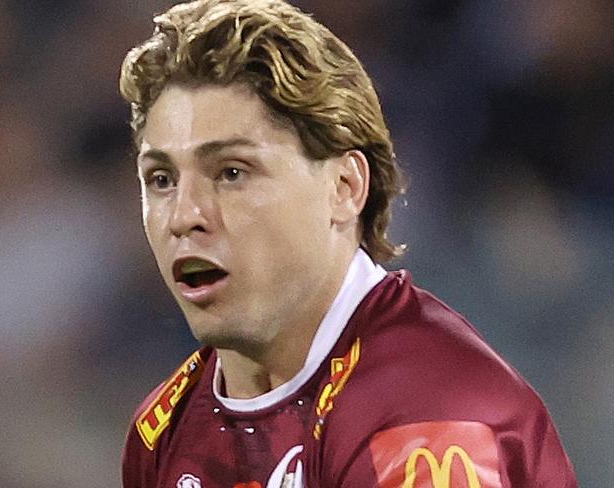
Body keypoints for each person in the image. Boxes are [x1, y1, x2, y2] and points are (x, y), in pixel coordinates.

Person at [118, 1, 577, 486]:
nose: (185, 215)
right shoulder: (163, 432)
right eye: (162, 178)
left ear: (345, 188)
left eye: (232, 173)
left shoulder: (426, 416)